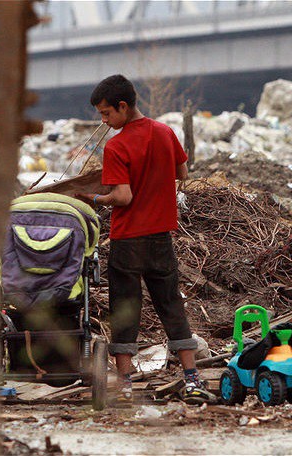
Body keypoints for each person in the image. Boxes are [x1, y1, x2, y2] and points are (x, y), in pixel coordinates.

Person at [79, 74, 214, 405]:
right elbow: (181, 174)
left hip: (127, 240)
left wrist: (93, 198)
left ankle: (125, 386)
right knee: (171, 306)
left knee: (125, 310)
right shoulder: (165, 132)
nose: (104, 121)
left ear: (123, 107)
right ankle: (193, 379)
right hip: (160, 236)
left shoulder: (118, 145)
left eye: (107, 113)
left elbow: (122, 197)